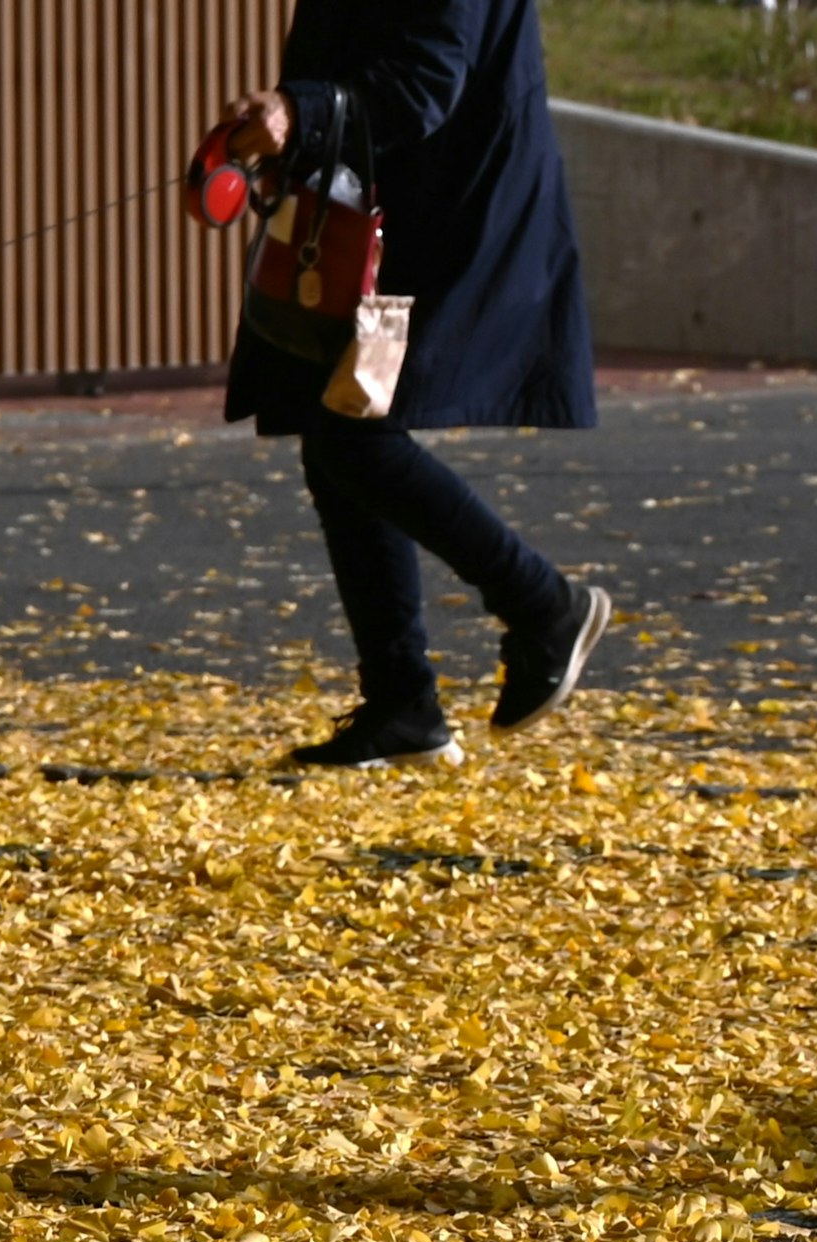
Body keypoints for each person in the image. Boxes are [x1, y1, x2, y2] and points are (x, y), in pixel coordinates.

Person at [218, 0, 611, 771]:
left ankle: (542, 606)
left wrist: (300, 114)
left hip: (454, 202)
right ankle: (404, 704)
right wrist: (294, 130)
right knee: (330, 421)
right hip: (386, 193)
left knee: (349, 431)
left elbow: (427, 79)